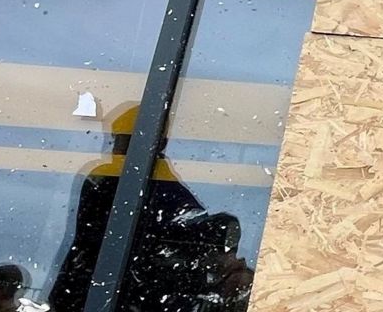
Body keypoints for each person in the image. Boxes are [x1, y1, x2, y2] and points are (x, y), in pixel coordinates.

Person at [47, 107, 252, 312]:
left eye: (120, 141)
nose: (113, 149)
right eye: (116, 140)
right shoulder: (169, 194)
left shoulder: (110, 180)